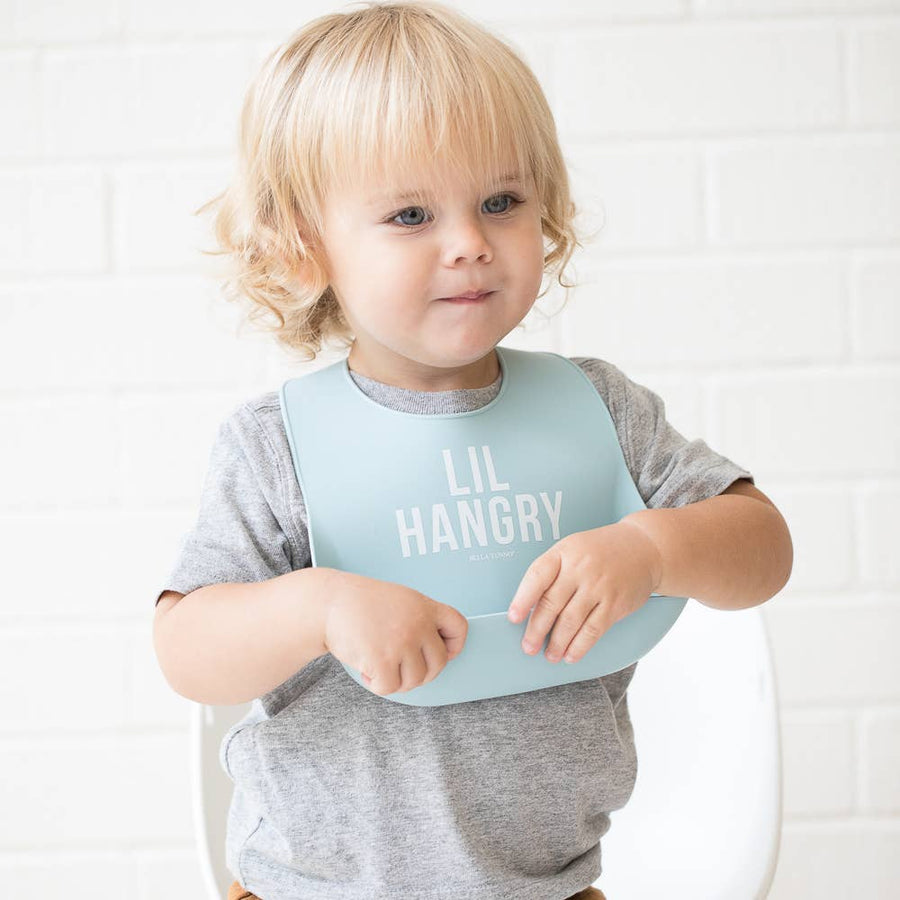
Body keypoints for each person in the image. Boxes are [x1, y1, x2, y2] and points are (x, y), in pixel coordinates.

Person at [152, 3, 793, 898]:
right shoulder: (278, 448)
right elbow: (187, 650)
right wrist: (319, 605)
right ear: (306, 248)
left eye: (501, 201)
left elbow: (761, 548)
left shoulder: (598, 408)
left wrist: (652, 548)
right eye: (411, 214)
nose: (470, 245)